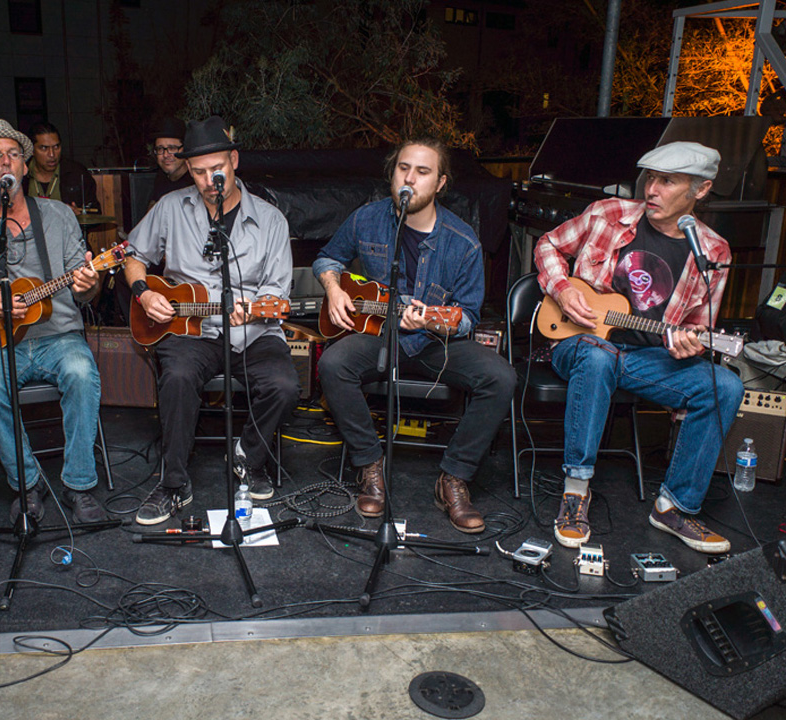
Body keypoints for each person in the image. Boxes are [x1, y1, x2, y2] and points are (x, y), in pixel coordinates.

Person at [534, 141, 743, 554]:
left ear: (700, 190)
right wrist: (561, 288)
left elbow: (699, 329)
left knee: (726, 385)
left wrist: (692, 346)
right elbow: (548, 245)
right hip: (578, 343)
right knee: (598, 355)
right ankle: (576, 492)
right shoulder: (608, 215)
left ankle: (674, 506)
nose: (652, 189)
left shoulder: (713, 251)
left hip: (648, 358)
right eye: (650, 178)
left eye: (667, 181)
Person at [313, 138, 515, 532]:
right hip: (379, 333)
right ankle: (370, 466)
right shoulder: (366, 218)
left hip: (435, 341)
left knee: (501, 377)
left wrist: (433, 322)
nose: (410, 178)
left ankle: (453, 478)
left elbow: (469, 317)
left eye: (423, 172)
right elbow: (327, 257)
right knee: (334, 363)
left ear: (440, 183)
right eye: (404, 168)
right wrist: (334, 288)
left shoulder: (463, 242)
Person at [125, 115, 299, 525]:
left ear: (234, 160)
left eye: (216, 169)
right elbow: (132, 255)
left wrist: (255, 308)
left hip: (254, 330)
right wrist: (144, 292)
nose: (208, 180)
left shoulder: (272, 219)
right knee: (179, 378)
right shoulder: (170, 207)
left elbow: (276, 291)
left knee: (285, 385)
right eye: (198, 171)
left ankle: (248, 456)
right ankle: (174, 484)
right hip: (191, 331)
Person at [0, 119, 107, 524]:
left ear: (26, 167)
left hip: (59, 334)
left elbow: (85, 293)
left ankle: (79, 484)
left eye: (14, 153)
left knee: (84, 374)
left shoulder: (58, 215)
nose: (6, 161)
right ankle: (28, 485)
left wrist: (89, 281)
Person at [24, 121, 101, 213]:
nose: (52, 154)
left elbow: (95, 211)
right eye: (44, 148)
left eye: (56, 147)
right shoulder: (21, 175)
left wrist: (79, 215)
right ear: (32, 150)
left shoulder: (77, 172)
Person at [147, 115, 193, 207]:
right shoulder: (161, 178)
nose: (165, 155)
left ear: (185, 149)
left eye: (172, 148)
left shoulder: (196, 181)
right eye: (160, 149)